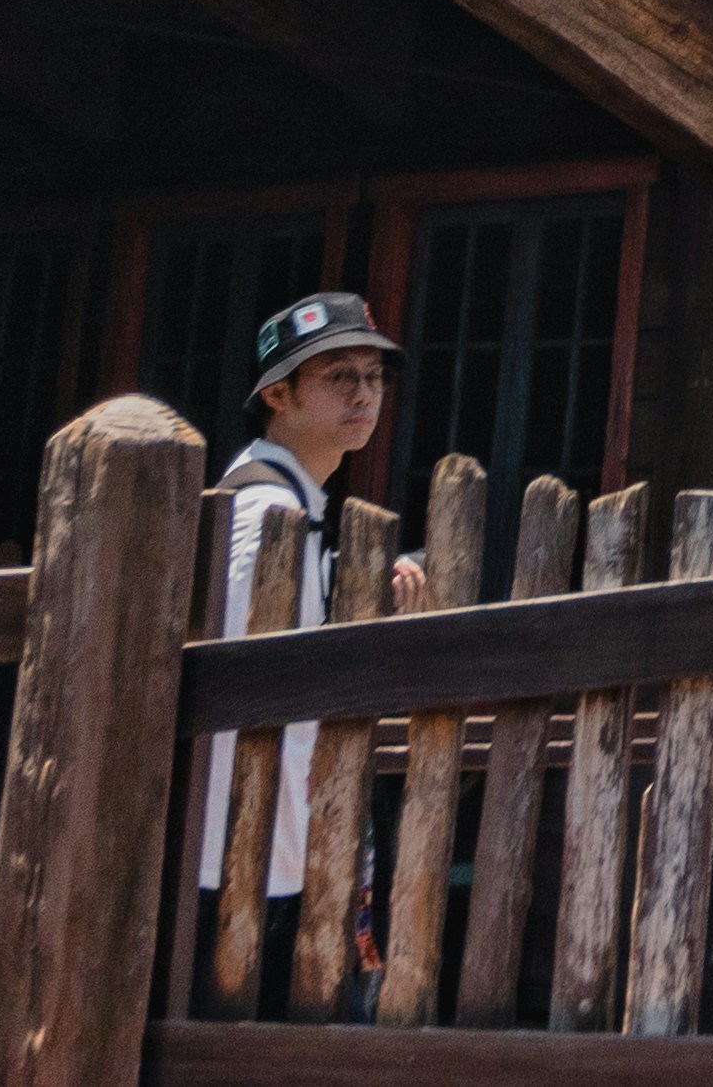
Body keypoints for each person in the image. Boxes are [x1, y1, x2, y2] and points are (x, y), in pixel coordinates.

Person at [195, 289, 427, 1001]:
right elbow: (241, 681)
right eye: (338, 376)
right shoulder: (266, 516)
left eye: (374, 375)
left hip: (274, 850)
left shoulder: (297, 511)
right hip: (245, 856)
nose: (364, 393)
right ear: (278, 392)